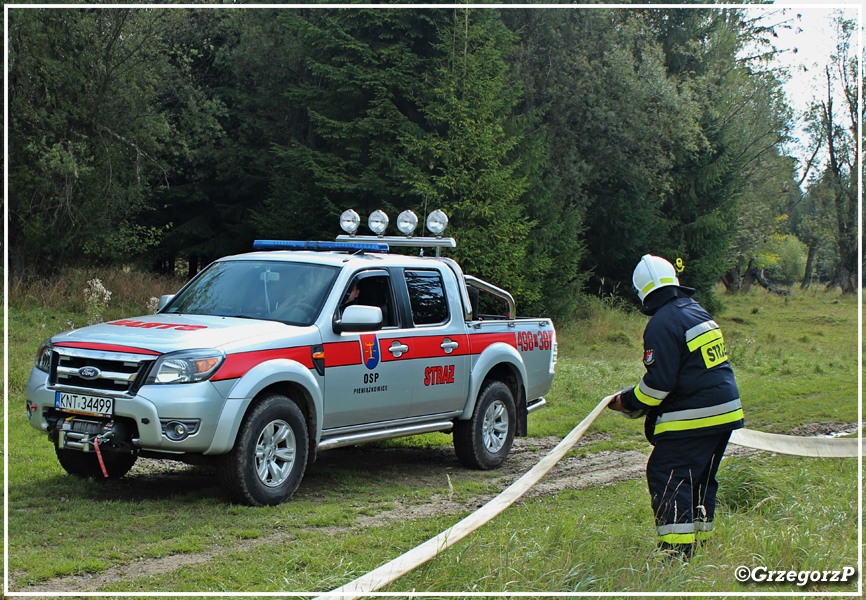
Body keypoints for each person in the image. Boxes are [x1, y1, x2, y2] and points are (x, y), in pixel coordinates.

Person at [607, 254, 744, 559]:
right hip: (724, 411)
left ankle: (676, 555)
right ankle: (699, 543)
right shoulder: (695, 311)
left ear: (641, 290)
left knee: (668, 474)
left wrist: (626, 402)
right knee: (700, 479)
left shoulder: (662, 322)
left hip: (696, 415)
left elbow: (659, 384)